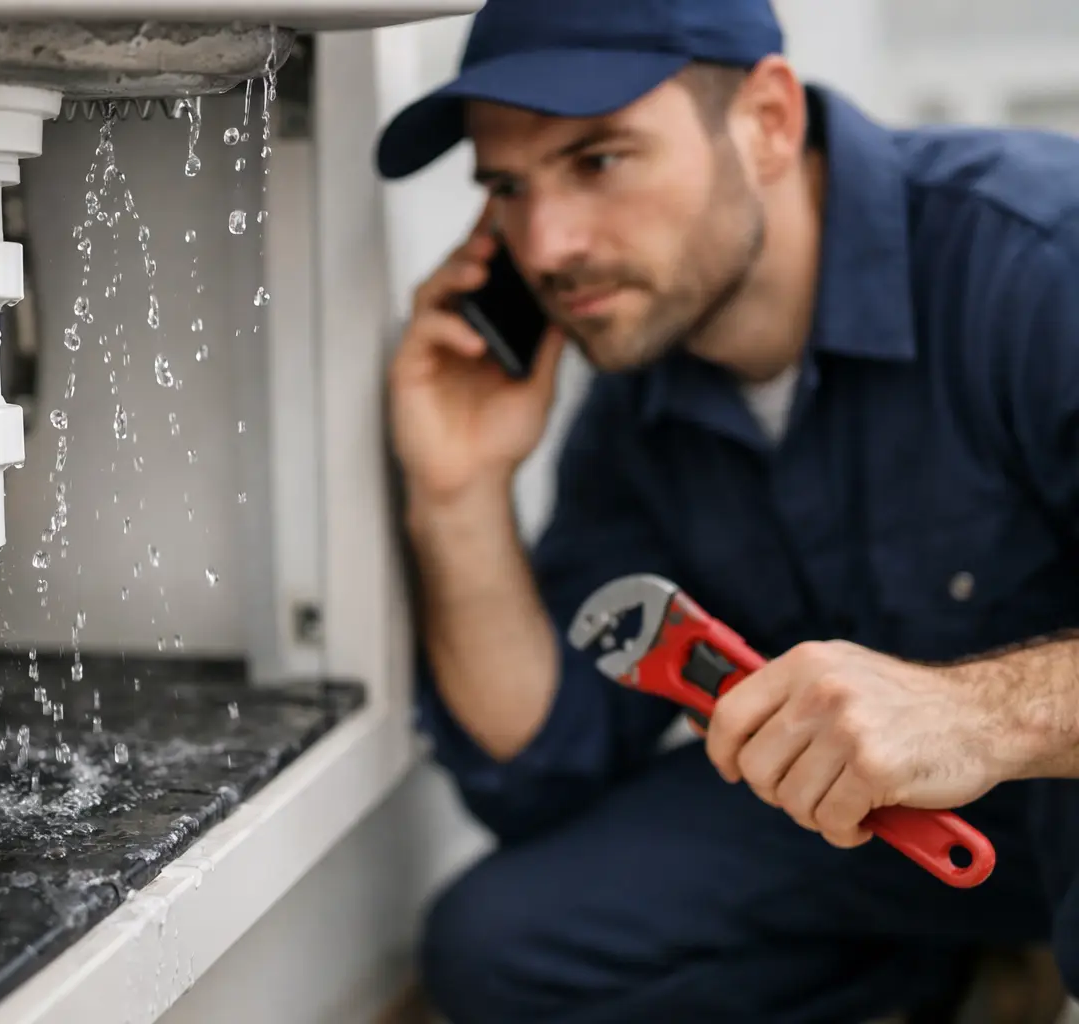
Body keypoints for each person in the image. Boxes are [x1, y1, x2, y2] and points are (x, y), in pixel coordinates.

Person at [378, 0, 1079, 1021]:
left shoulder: (1038, 261)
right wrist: (457, 490)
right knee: (500, 944)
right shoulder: (641, 397)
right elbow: (540, 772)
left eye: (600, 160)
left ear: (766, 120)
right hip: (890, 840)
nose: (548, 245)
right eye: (506, 187)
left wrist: (979, 716)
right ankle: (962, 977)